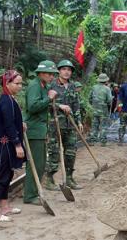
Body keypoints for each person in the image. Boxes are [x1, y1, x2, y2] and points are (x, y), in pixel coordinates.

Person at [0, 70, 26, 222]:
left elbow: (11, 121)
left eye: (21, 83)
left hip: (8, 144)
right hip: (4, 146)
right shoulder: (6, 101)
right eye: (17, 83)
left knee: (8, 175)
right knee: (1, 177)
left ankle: (5, 206)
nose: (20, 86)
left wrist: (20, 124)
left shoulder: (10, 99)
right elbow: (8, 125)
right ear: (7, 84)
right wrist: (17, 144)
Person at [23, 60, 58, 205]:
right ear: (41, 73)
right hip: (34, 130)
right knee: (35, 163)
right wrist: (48, 98)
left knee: (41, 163)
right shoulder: (34, 86)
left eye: (53, 74)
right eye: (50, 74)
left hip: (41, 130)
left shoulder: (44, 86)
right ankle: (30, 196)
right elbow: (32, 106)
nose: (52, 77)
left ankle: (33, 192)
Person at [45, 59, 83, 190]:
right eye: (64, 69)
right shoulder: (51, 86)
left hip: (70, 125)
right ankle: (49, 179)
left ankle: (69, 178)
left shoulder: (73, 86)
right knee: (54, 152)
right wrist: (59, 105)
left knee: (71, 152)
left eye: (69, 70)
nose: (67, 72)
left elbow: (76, 105)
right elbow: (46, 103)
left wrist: (79, 121)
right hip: (55, 124)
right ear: (59, 71)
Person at [87, 73, 112, 146]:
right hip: (103, 110)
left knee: (94, 125)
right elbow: (109, 100)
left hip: (94, 109)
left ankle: (92, 140)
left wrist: (93, 104)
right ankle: (103, 142)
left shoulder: (93, 87)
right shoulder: (107, 89)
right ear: (106, 80)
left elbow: (90, 98)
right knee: (103, 126)